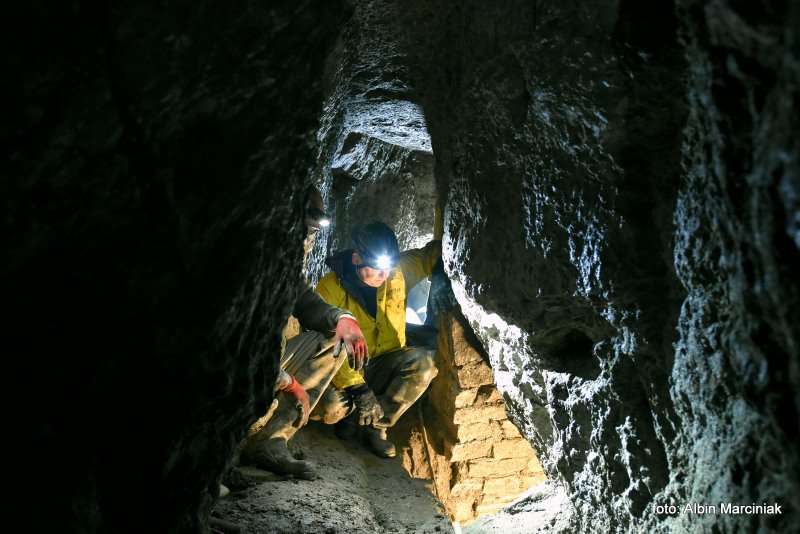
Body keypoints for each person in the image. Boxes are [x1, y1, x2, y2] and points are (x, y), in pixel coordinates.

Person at [238, 187, 368, 480]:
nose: (307, 239)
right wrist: (289, 383)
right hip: (236, 370)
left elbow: (304, 299)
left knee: (335, 340)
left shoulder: (280, 264)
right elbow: (240, 346)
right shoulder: (249, 262)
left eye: (312, 233)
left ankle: (271, 442)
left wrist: (343, 319)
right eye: (305, 230)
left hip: (267, 360)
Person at [312, 222, 441, 458]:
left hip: (384, 362)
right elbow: (324, 348)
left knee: (425, 364)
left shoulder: (395, 273)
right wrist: (359, 389)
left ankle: (375, 427)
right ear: (356, 259)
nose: (384, 275)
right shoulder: (330, 289)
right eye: (377, 268)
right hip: (344, 370)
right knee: (331, 407)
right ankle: (351, 416)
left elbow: (427, 257)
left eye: (389, 267)